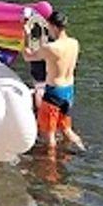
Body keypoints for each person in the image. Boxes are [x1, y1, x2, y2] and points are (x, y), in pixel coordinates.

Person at [37, 10, 85, 152]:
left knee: (49, 134)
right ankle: (83, 150)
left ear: (55, 27)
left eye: (49, 28)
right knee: (67, 129)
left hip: (53, 92)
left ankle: (51, 169)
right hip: (68, 91)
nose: (48, 31)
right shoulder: (74, 43)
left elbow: (28, 56)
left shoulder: (52, 48)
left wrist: (25, 36)